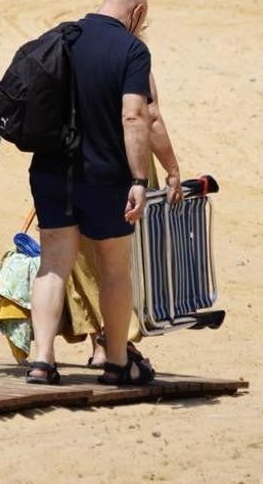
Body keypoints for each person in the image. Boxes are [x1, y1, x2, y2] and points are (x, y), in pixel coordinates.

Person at [26, 0, 154, 387]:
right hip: (106, 175)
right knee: (114, 268)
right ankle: (116, 361)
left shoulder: (65, 35)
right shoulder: (132, 50)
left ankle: (42, 360)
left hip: (51, 170)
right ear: (135, 14)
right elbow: (134, 116)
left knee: (53, 264)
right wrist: (139, 178)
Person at [75, 72, 183, 369]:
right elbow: (151, 118)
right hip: (127, 165)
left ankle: (101, 340)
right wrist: (172, 169)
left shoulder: (76, 49)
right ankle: (115, 342)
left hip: (80, 163)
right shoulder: (134, 59)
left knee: (88, 256)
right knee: (124, 258)